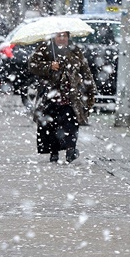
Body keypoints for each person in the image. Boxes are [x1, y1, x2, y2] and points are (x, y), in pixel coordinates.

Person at [28, 31, 95, 163]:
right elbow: (32, 65)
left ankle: (71, 150)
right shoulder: (45, 48)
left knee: (71, 123)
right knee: (51, 125)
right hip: (50, 95)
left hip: (70, 96)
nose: (62, 38)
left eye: (65, 36)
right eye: (59, 35)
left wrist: (89, 89)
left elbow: (85, 71)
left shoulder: (75, 50)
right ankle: (54, 152)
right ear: (54, 36)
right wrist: (49, 66)